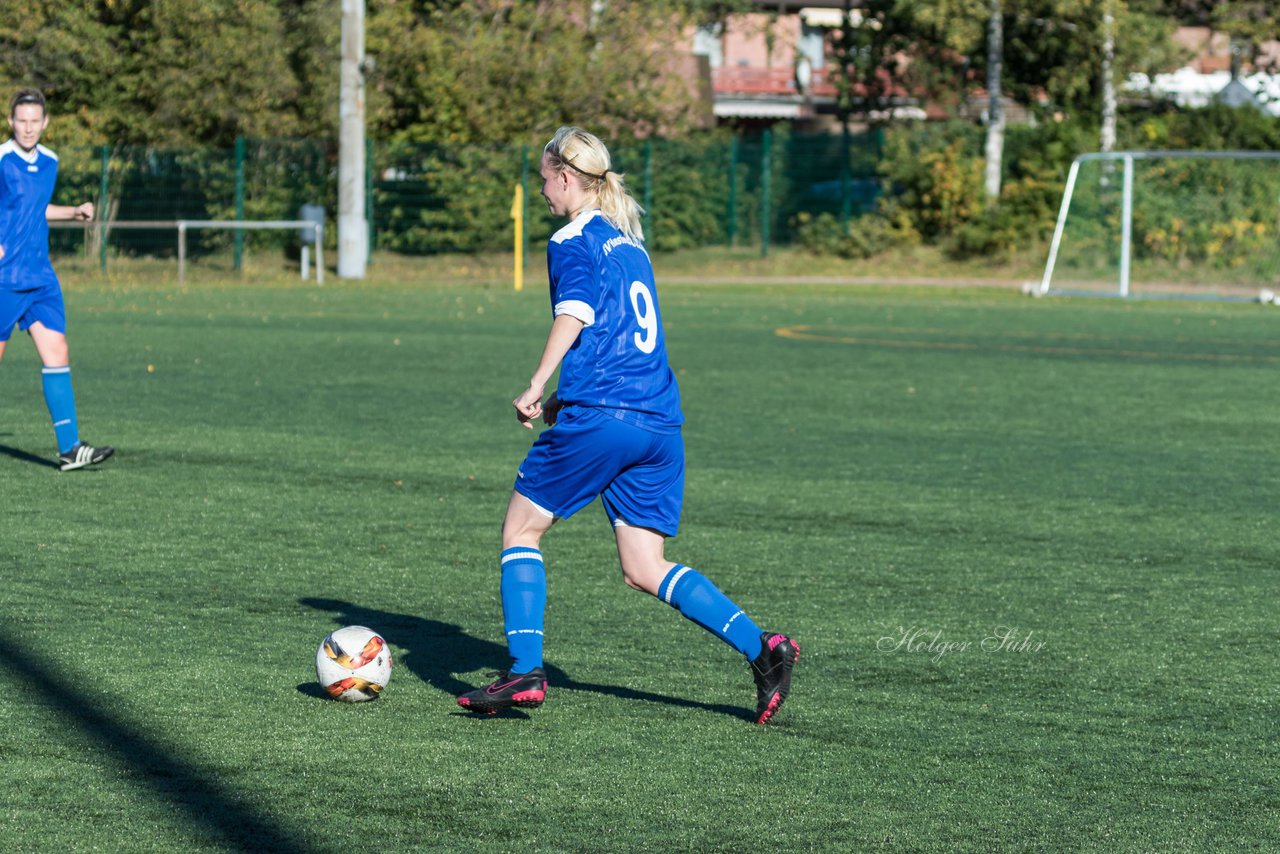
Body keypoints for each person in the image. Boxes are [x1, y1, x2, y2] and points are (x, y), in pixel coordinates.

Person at [457, 127, 798, 724]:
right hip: (658, 425)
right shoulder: (628, 242)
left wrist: (538, 384)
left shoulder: (571, 238)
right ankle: (764, 649)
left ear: (566, 178)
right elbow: (620, 339)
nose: (541, 191)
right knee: (644, 566)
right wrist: (569, 398)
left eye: (543, 179)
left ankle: (524, 672)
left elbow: (577, 311)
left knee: (521, 530)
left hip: (606, 419)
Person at [0, 88, 113, 471]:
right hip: (5, 278)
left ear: (45, 123)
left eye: (35, 121)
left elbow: (33, 210)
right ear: (11, 121)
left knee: (58, 352)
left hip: (40, 277)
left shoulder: (49, 161)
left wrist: (73, 212)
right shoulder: (0, 159)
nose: (28, 128)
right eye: (21, 120)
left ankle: (70, 449)